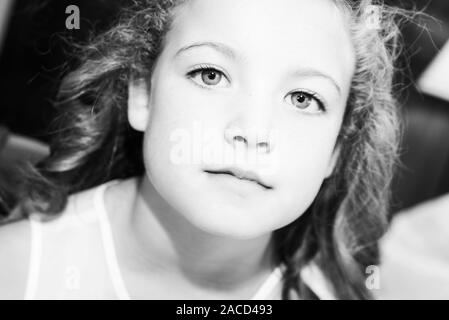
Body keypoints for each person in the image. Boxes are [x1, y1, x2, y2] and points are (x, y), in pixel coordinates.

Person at [0, 0, 405, 299]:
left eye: (302, 98)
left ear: (335, 148)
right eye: (210, 74)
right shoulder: (14, 271)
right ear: (142, 92)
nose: (252, 131)